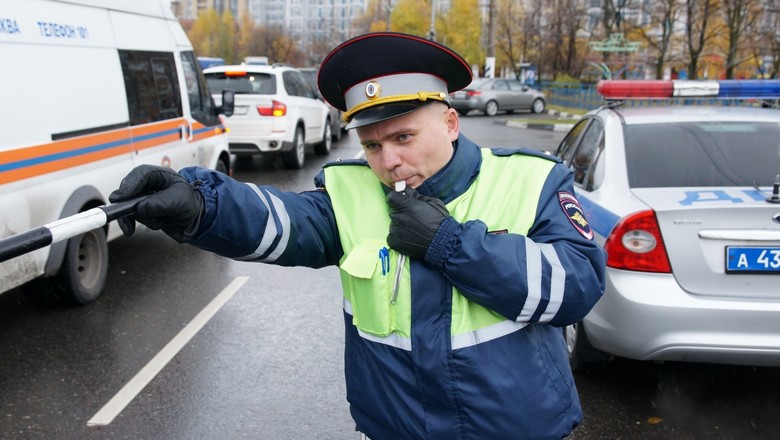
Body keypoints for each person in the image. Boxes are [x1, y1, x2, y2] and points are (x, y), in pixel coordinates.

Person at [110, 32, 606, 440]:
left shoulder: (531, 180)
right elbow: (281, 222)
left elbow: (578, 285)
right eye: (372, 145)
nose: (388, 161)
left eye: (403, 137)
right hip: (396, 430)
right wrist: (198, 202)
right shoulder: (352, 191)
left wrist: (452, 245)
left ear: (451, 123)